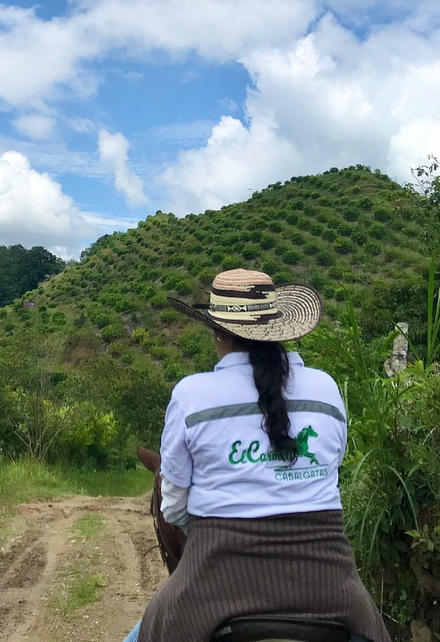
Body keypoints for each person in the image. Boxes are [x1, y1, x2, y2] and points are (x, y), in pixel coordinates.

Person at [124, 269, 391, 642]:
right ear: (279, 328)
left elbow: (173, 507)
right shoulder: (326, 388)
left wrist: (205, 534)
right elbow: (332, 469)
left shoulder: (191, 395)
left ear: (217, 332)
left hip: (213, 582)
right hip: (330, 583)